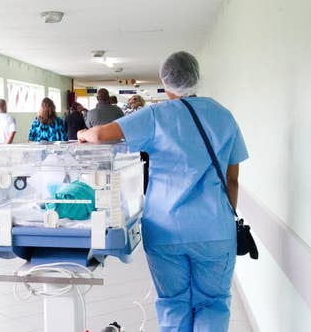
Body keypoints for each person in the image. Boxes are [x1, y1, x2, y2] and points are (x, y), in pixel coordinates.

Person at [78, 51, 248, 332]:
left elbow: (99, 135)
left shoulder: (156, 115)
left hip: (166, 229)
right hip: (215, 230)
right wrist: (225, 216)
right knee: (213, 303)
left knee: (173, 303)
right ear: (196, 78)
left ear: (165, 81)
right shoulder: (223, 116)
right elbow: (233, 180)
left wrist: (83, 134)